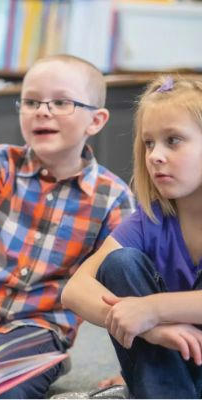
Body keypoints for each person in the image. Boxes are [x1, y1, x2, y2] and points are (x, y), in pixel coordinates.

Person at [0, 54, 135, 398]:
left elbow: (123, 287)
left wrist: (132, 368)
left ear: (95, 121)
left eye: (61, 102)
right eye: (31, 101)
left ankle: (42, 364)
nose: (42, 111)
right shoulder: (0, 161)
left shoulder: (113, 197)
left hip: (37, 325)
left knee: (3, 389)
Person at [62, 75, 202, 398]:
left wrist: (151, 310)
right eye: (149, 143)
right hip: (170, 373)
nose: (154, 155)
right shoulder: (150, 218)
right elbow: (74, 290)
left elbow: (147, 310)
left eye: (173, 140)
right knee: (120, 263)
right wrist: (152, 330)